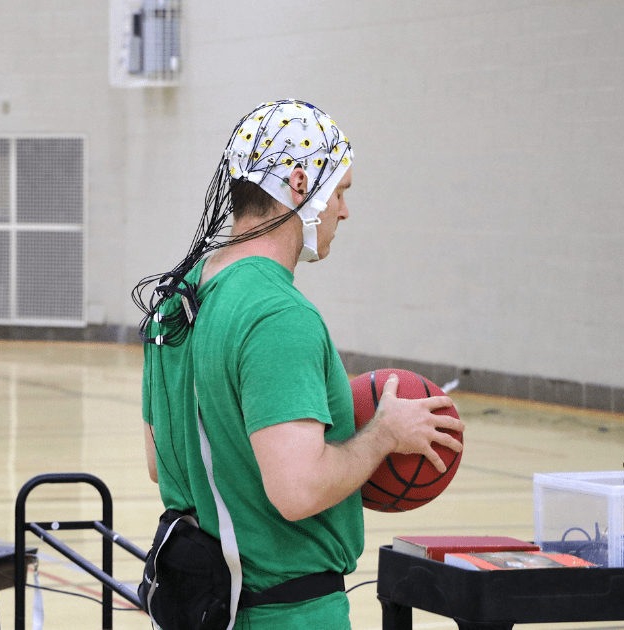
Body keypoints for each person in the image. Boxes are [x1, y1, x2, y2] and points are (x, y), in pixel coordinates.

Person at [136, 100, 464, 628]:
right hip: (284, 613)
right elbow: (299, 490)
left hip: (195, 608)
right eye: (341, 191)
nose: (344, 210)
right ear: (299, 182)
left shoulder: (176, 297)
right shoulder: (278, 314)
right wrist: (383, 434)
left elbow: (159, 462)